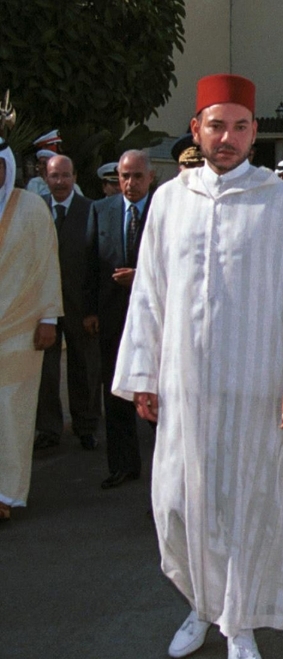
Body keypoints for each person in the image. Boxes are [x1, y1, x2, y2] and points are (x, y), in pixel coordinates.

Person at [111, 73, 283, 659]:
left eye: (240, 126)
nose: (228, 137)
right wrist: (142, 372)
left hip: (258, 388)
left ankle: (239, 622)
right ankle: (200, 605)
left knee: (247, 507)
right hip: (185, 388)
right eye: (217, 125)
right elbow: (150, 295)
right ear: (197, 129)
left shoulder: (282, 202)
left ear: (254, 132)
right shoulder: (169, 201)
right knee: (178, 505)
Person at [83, 150, 154, 490]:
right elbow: (90, 266)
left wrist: (140, 276)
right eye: (124, 177)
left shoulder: (164, 209)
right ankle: (123, 465)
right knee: (116, 392)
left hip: (155, 320)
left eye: (137, 176)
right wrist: (90, 311)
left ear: (150, 178)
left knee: (157, 395)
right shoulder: (101, 211)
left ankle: (167, 476)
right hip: (112, 317)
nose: (130, 183)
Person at [0, 137, 62, 521]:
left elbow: (47, 263)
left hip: (21, 329)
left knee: (12, 412)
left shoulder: (31, 207)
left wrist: (48, 319)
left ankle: (7, 493)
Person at [35, 154, 100, 452]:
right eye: (53, 176)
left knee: (83, 368)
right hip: (44, 306)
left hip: (80, 305)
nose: (59, 182)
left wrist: (92, 309)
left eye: (65, 176)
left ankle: (85, 427)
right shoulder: (36, 211)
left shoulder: (91, 210)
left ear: (75, 177)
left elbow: (98, 262)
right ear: (45, 178)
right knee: (45, 371)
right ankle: (48, 429)